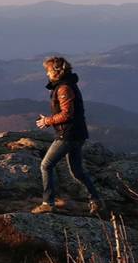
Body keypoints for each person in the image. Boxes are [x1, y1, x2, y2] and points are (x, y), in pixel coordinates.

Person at [35, 56, 102, 214]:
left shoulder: (64, 88)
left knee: (46, 165)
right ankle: (96, 201)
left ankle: (47, 203)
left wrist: (48, 121)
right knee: (77, 171)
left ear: (57, 71)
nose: (47, 74)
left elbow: (67, 114)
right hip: (77, 133)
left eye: (49, 71)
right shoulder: (66, 85)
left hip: (68, 134)